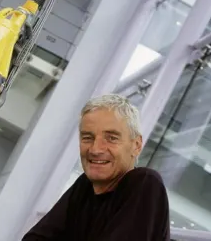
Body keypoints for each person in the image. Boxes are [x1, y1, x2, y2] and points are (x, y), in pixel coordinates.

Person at [22, 94, 170, 241]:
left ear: (136, 145)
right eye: (87, 138)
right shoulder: (85, 185)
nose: (95, 149)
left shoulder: (144, 183)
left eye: (112, 138)